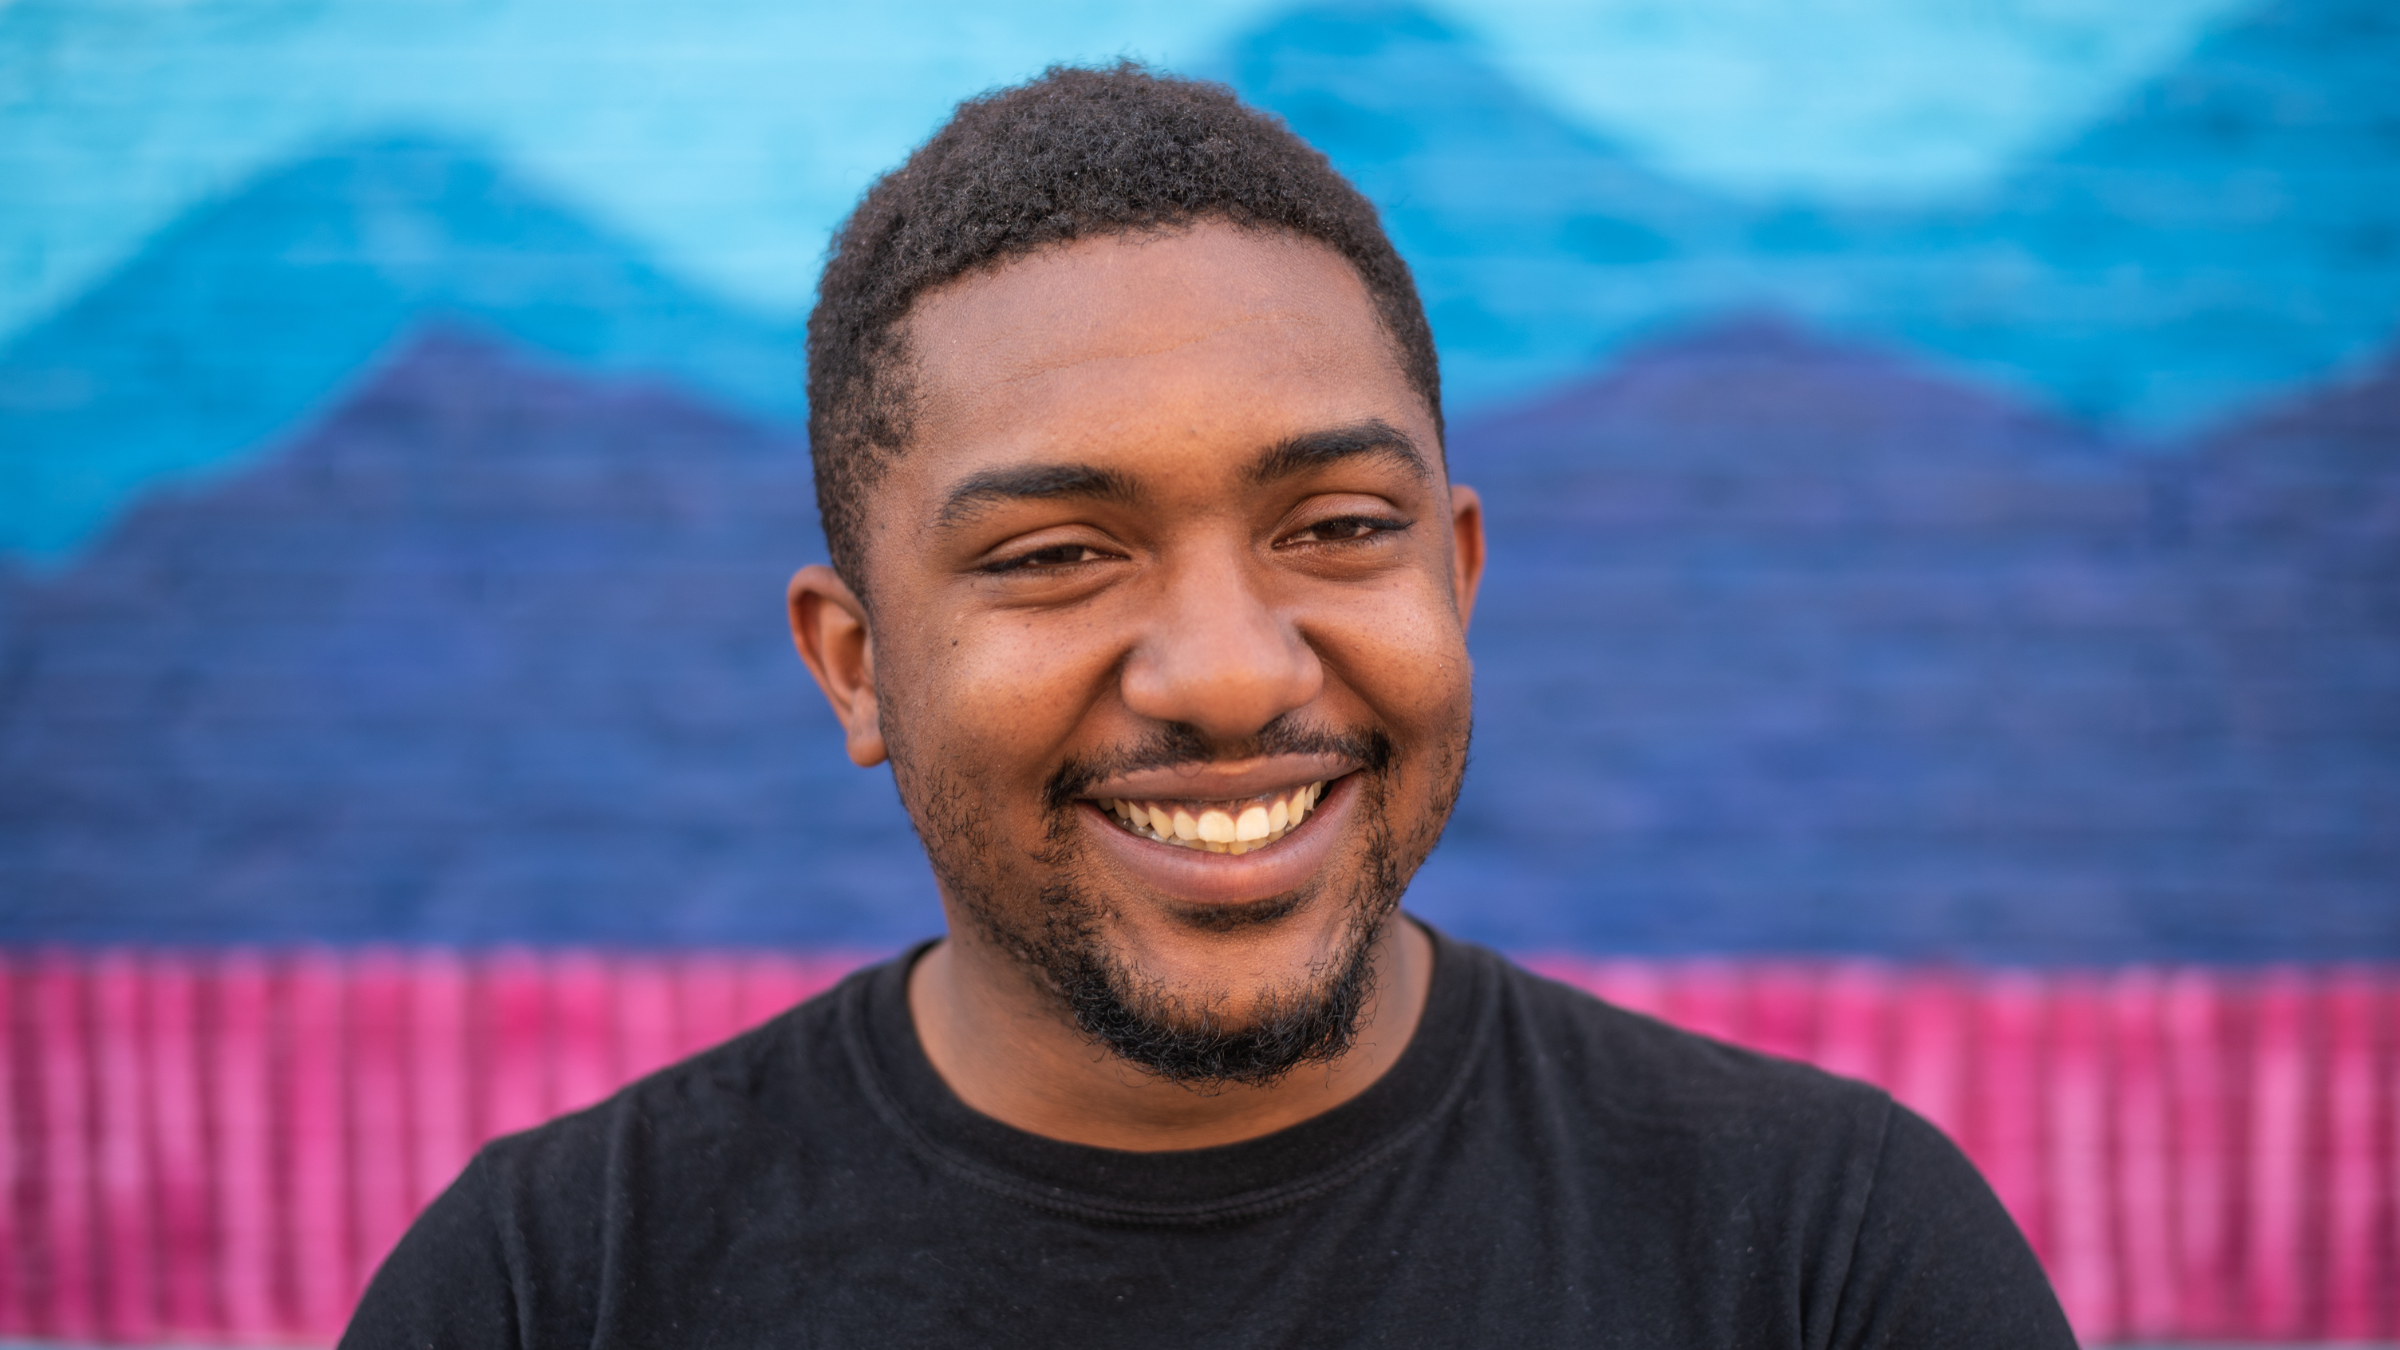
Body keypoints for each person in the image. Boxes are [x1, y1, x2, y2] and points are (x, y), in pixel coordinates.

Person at [343, 64, 2074, 1347]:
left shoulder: (1824, 1259)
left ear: (1458, 573)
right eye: (1057, 555)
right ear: (856, 663)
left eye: (1338, 527)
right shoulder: (556, 1288)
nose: (1234, 671)